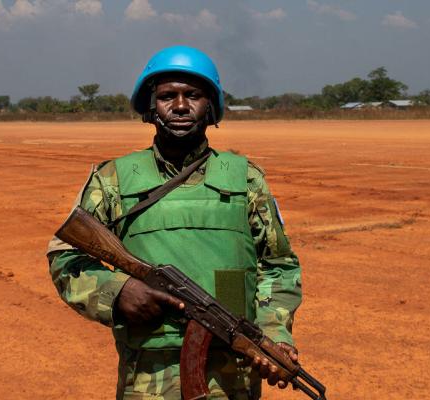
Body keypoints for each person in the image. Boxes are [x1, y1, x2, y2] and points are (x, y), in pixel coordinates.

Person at [46, 46, 302, 400]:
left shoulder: (247, 180)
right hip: (146, 379)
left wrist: (274, 334)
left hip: (232, 379)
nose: (180, 106)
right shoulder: (113, 180)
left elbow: (279, 266)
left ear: (210, 106)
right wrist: (119, 291)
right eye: (167, 96)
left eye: (193, 95)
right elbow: (65, 256)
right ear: (151, 108)